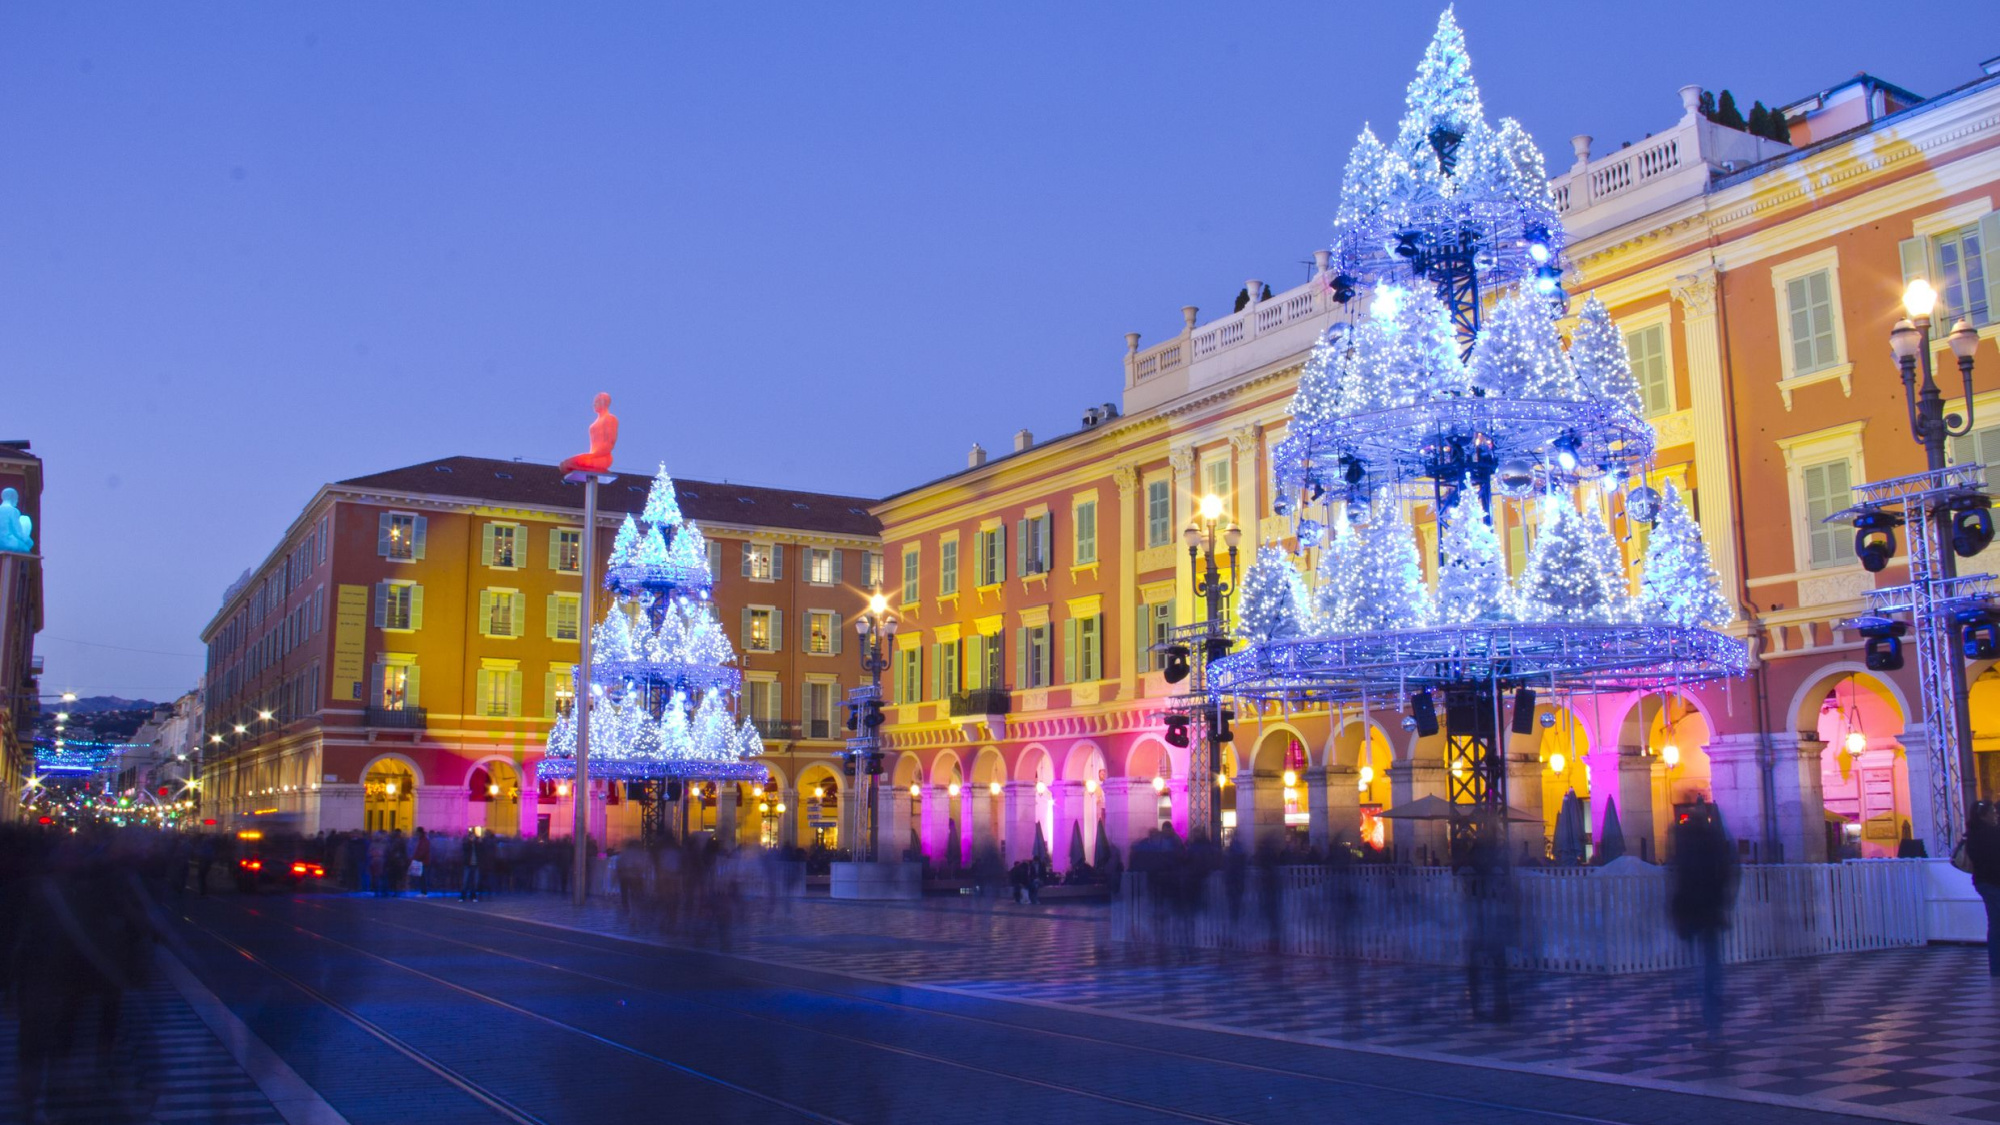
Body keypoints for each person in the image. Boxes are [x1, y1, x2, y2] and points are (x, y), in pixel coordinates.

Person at [1669, 800, 1738, 1035]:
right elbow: (1728, 871)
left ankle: (1700, 1010)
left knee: (1693, 964)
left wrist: (1677, 907)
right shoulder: (1713, 843)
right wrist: (1724, 899)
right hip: (1709, 910)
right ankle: (1711, 1015)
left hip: (1694, 910)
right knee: (1710, 964)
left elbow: (1680, 879)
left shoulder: (1687, 847)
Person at [1966, 801, 2000, 979]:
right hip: (1994, 882)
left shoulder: (1971, 834)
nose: (1995, 815)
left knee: (1994, 924)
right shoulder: (1993, 834)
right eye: (1993, 812)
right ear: (1985, 815)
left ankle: (1995, 967)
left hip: (1982, 882)